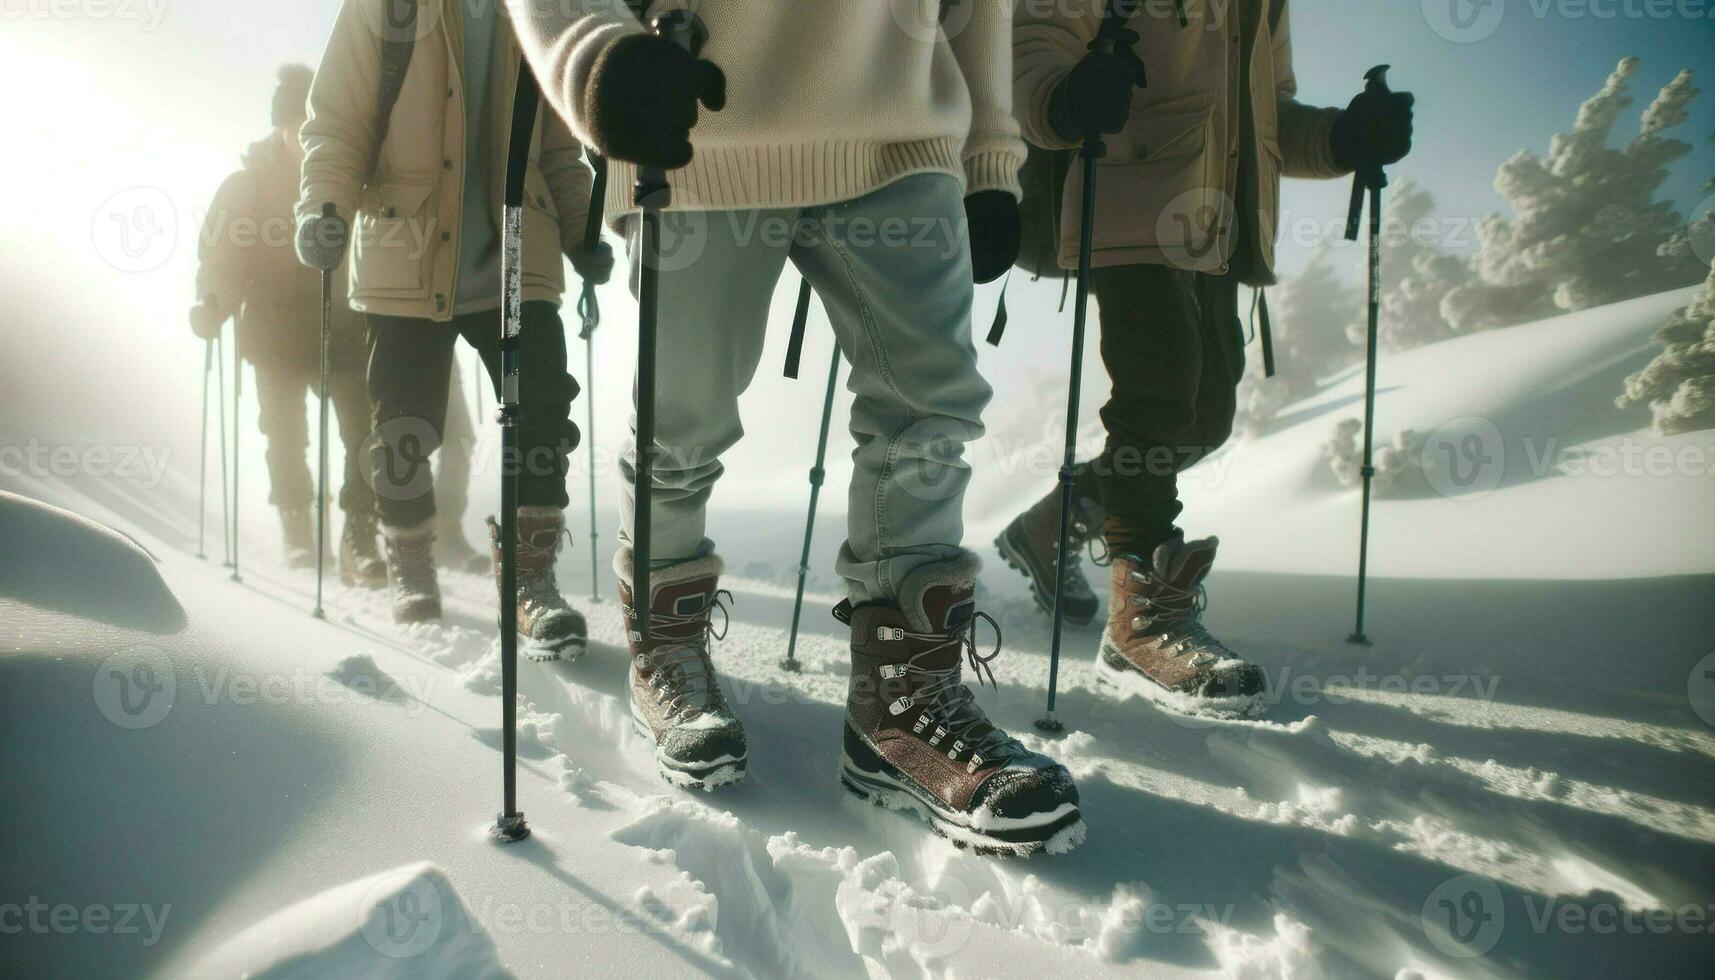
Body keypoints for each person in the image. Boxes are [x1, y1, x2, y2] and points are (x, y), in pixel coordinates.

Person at [512, 0, 1085, 854]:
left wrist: (992, 156)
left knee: (930, 415)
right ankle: (663, 651)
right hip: (696, 127)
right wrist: (594, 56)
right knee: (681, 426)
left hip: (906, 132)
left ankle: (902, 703)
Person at [1009, 0, 1415, 715]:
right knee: (1158, 393)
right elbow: (1033, 39)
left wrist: (1343, 138)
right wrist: (1061, 97)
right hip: (1127, 194)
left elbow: (1270, 116)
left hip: (1218, 220)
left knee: (1201, 419)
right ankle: (1141, 618)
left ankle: (1057, 518)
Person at [294, 1, 612, 659]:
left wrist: (582, 226)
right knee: (403, 426)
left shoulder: (535, 9)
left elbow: (558, 138)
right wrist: (324, 207)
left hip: (519, 250)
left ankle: (529, 578)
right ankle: (409, 559)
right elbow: (339, 120)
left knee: (544, 412)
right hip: (403, 250)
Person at [191, 65, 387, 588]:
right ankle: (298, 529)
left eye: (310, 124)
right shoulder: (247, 186)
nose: (303, 137)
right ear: (279, 124)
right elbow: (222, 257)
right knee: (284, 436)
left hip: (346, 330)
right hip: (274, 336)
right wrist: (213, 303)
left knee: (364, 435)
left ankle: (359, 536)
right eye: (294, 124)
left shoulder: (351, 178)